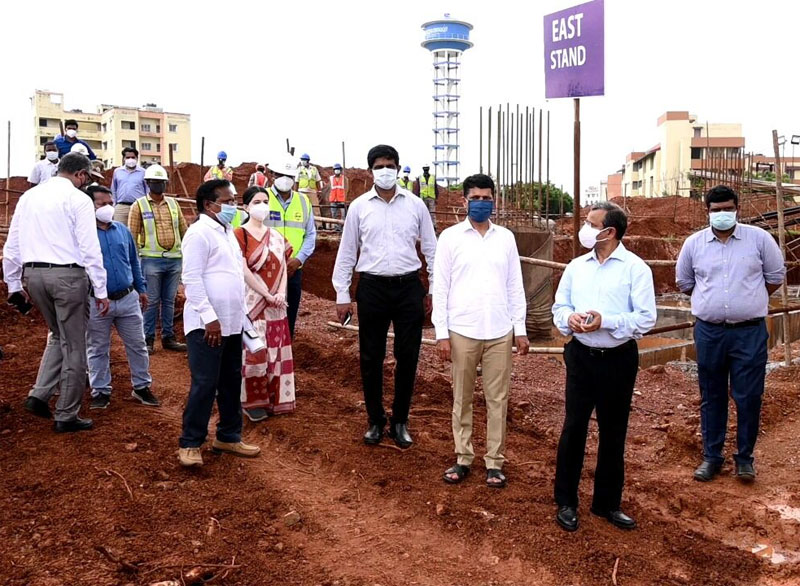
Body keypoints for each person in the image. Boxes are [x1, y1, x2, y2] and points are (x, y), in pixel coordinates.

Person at [551, 201, 656, 532]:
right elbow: (560, 306)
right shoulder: (576, 267)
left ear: (609, 232)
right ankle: (566, 501)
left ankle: (607, 504)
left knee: (614, 431)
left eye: (591, 223)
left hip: (618, 359)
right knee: (574, 428)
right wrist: (569, 318)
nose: (584, 228)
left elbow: (645, 318)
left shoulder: (636, 269)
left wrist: (605, 321)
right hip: (581, 356)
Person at [676, 185, 785, 483]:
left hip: (749, 332)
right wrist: (711, 302)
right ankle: (712, 457)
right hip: (709, 332)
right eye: (716, 210)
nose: (722, 214)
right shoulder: (693, 244)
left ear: (737, 209)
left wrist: (749, 300)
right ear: (707, 212)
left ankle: (745, 459)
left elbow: (775, 276)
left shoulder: (759, 239)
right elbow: (684, 282)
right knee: (711, 395)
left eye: (728, 208)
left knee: (749, 396)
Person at [332, 144, 436, 449]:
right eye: (379, 166)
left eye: (390, 165)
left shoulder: (416, 206)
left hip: (408, 288)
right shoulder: (359, 207)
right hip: (372, 288)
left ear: (398, 168)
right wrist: (342, 293)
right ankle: (375, 419)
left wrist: (433, 289)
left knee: (408, 355)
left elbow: (431, 249)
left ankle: (400, 420)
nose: (385, 171)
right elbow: (347, 251)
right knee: (371, 355)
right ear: (370, 171)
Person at [433, 173, 529, 487]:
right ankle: (463, 457)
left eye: (486, 198)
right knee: (462, 398)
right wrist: (441, 332)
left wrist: (519, 328)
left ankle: (494, 462)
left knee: (497, 399)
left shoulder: (506, 238)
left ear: (494, 200)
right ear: (464, 201)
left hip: (499, 330)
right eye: (475, 198)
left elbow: (515, 285)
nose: (481, 203)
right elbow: (440, 286)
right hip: (462, 329)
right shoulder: (450, 238)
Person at [2, 153, 109, 432]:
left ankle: (39, 394)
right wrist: (101, 289)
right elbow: (89, 248)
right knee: (74, 345)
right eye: (87, 177)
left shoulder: (29, 197)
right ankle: (66, 414)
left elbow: (12, 245)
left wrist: (14, 283)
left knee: (58, 334)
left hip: (34, 276)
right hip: (68, 277)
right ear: (81, 174)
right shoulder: (78, 199)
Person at [178, 179, 260, 467]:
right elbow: (191, 279)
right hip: (208, 325)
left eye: (235, 200)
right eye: (228, 201)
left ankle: (228, 436)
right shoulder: (199, 234)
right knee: (205, 383)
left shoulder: (227, 233)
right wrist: (209, 318)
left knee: (230, 381)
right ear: (209, 204)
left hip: (232, 322)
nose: (234, 206)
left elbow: (234, 275)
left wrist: (241, 317)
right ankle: (190, 443)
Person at [85, 185, 158, 410]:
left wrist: (141, 288)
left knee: (137, 344)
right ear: (90, 206)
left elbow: (134, 261)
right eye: (101, 204)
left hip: (127, 298)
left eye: (110, 203)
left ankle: (142, 386)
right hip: (97, 301)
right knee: (97, 348)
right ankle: (100, 390)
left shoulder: (122, 230)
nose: (108, 208)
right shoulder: (83, 234)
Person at [235, 186, 296, 422]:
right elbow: (243, 270)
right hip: (253, 304)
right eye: (256, 202)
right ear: (246, 207)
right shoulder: (239, 235)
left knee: (276, 352)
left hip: (276, 305)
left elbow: (283, 267)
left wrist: (280, 293)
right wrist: (266, 294)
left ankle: (276, 398)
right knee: (255, 353)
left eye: (265, 201)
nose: (262, 206)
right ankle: (253, 402)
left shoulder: (277, 236)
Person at [128, 164, 188, 354]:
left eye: (161, 182)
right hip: (150, 260)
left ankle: (168, 337)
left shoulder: (173, 204)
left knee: (169, 301)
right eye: (154, 182)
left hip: (174, 259)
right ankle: (148, 339)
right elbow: (132, 236)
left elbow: (184, 230)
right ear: (147, 183)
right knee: (152, 301)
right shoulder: (138, 205)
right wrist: (134, 264)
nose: (158, 185)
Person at [265, 157, 317, 338]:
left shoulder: (303, 201)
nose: (285, 179)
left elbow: (310, 234)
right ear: (272, 175)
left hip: (293, 269)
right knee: (266, 312)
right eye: (281, 174)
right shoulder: (262, 198)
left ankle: (286, 346)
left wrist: (299, 259)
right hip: (266, 269)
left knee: (290, 312)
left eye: (289, 175)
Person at [111, 147, 148, 223]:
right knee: (119, 228)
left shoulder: (143, 172)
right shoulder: (117, 171)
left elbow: (147, 190)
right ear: (123, 159)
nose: (130, 159)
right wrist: (114, 204)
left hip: (139, 206)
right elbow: (114, 189)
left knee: (137, 229)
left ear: (137, 158)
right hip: (121, 207)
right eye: (128, 157)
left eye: (133, 157)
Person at [329, 163, 348, 231]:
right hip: (333, 199)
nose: (337, 171)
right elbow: (330, 188)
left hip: (341, 199)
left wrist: (344, 197)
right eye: (335, 169)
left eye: (338, 169)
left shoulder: (344, 178)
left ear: (341, 170)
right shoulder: (331, 178)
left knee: (343, 215)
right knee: (334, 214)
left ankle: (343, 228)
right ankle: (336, 228)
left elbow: (346, 188)